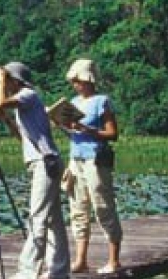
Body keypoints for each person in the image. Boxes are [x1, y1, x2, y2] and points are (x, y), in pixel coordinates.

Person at [0, 61, 70, 279]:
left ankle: (28, 273)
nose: (5, 84)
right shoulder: (25, 104)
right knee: (53, 219)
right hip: (46, 162)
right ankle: (59, 270)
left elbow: (0, 102)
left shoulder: (27, 95)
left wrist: (1, 80)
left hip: (45, 163)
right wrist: (7, 121)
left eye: (8, 79)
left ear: (15, 80)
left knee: (37, 217)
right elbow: (23, 138)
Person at [58, 58, 122, 274]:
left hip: (95, 160)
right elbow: (74, 134)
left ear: (88, 80)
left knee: (103, 207)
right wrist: (62, 125)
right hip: (76, 160)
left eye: (78, 80)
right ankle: (80, 260)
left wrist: (88, 130)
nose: (75, 84)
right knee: (78, 209)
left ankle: (113, 260)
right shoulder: (74, 102)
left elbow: (112, 133)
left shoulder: (101, 101)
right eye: (73, 81)